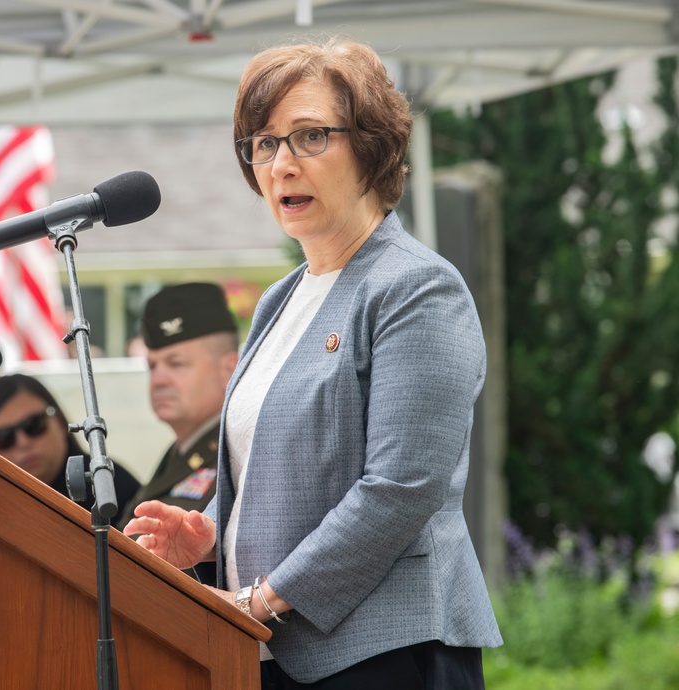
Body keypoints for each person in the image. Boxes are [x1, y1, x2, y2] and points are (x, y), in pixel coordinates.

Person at [124, 37, 502, 688]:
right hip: (274, 654)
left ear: (372, 146)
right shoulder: (280, 299)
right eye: (264, 144)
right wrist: (210, 533)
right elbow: (281, 473)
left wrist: (259, 601)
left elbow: (400, 490)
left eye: (310, 137)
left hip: (384, 654)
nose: (282, 164)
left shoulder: (416, 288)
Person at [117, 283, 239, 526]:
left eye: (177, 364)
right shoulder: (181, 452)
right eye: (152, 366)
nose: (159, 380)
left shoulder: (239, 457)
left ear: (230, 370)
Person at [0, 373, 140, 529]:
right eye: (4, 437)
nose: (23, 442)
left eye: (33, 425)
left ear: (61, 422)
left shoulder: (108, 485)